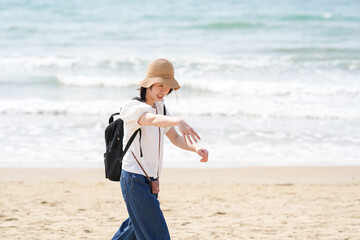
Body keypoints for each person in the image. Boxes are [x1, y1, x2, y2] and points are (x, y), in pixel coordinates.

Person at [111, 58, 209, 240]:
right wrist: (178, 120)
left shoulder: (161, 107)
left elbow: (174, 137)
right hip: (134, 179)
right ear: (148, 85)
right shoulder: (132, 108)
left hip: (151, 182)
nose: (164, 90)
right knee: (157, 235)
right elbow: (152, 120)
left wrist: (196, 148)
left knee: (133, 230)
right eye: (160, 85)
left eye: (167, 86)